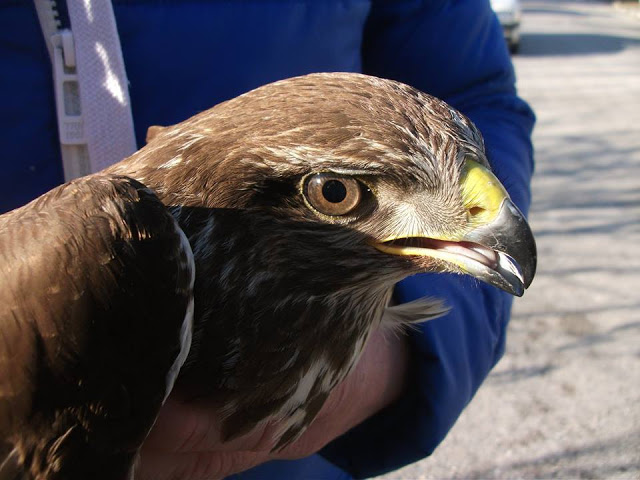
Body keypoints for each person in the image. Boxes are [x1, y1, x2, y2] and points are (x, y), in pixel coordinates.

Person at [0, 1, 535, 478]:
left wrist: (412, 355)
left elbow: (477, 88)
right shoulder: (102, 252)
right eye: (337, 194)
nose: (485, 214)